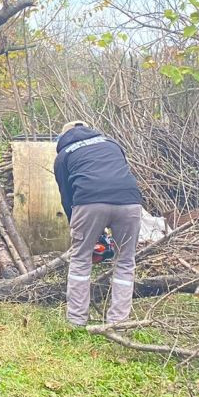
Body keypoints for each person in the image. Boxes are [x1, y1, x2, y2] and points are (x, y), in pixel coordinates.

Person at [53, 120, 144, 327]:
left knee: (80, 259)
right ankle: (118, 322)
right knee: (126, 261)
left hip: (88, 202)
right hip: (130, 201)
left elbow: (67, 199)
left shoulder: (64, 155)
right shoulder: (112, 144)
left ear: (63, 137)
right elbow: (117, 175)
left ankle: (76, 321)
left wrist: (79, 230)